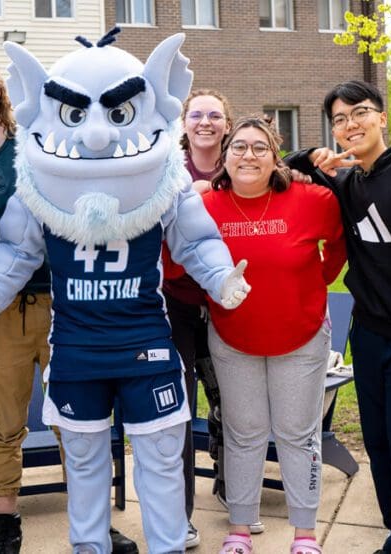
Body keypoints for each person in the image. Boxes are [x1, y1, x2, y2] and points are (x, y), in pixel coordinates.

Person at [0, 31, 251, 554]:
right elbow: (16, 252)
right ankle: (89, 546)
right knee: (86, 463)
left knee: (159, 460)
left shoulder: (166, 176)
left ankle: (165, 545)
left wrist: (222, 278)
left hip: (146, 345)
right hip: (76, 347)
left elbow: (197, 239)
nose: (94, 136)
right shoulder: (36, 181)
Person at [0, 57, 139, 554]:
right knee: (3, 422)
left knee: (79, 422)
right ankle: (7, 523)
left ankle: (95, 523)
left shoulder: (44, 145)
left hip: (67, 302)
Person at [286, 80, 391, 554]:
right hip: (369, 336)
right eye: (339, 119)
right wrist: (315, 157)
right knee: (378, 449)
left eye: (359, 113)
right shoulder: (349, 183)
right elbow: (282, 168)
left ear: (382, 118)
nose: (350, 124)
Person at [202, 116, 346, 554]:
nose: (249, 155)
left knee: (297, 435)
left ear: (274, 157)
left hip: (300, 339)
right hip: (233, 339)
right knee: (243, 434)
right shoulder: (207, 206)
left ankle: (304, 534)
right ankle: (241, 529)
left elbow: (338, 244)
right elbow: (181, 257)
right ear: (224, 157)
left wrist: (316, 282)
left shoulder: (312, 199)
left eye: (259, 147)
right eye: (239, 147)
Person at [162, 89, 233, 549]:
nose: (205, 122)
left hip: (228, 301)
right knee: (180, 408)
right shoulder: (167, 169)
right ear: (184, 123)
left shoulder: (245, 165)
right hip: (176, 300)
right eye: (196, 115)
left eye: (215, 116)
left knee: (233, 401)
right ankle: (180, 514)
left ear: (227, 124)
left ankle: (233, 489)